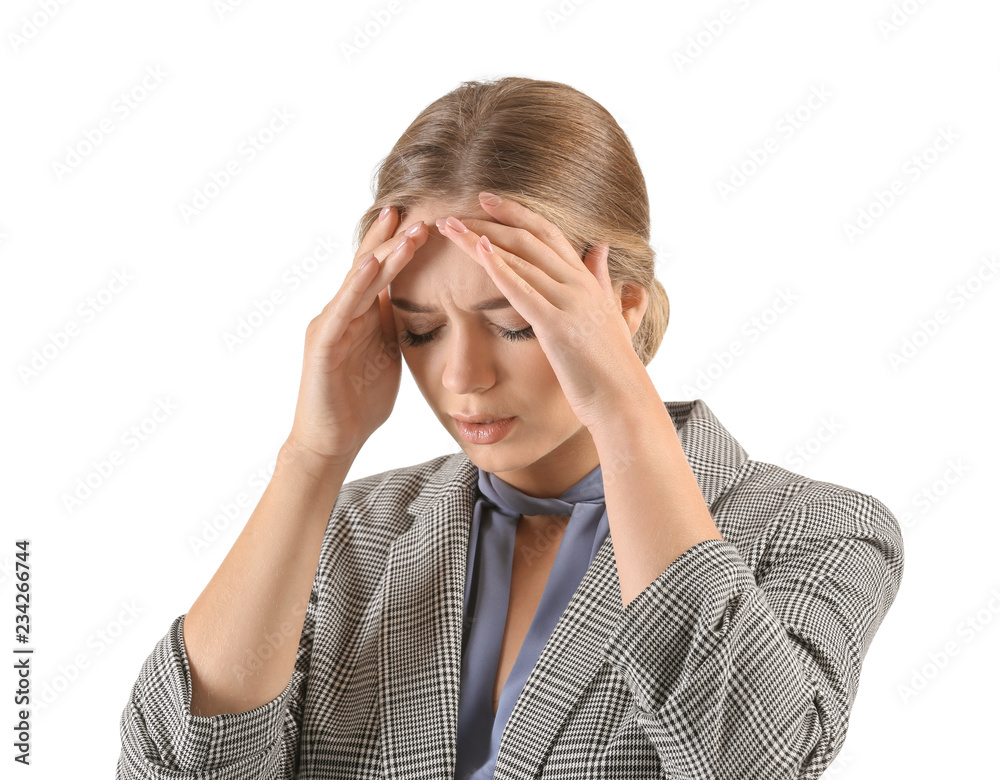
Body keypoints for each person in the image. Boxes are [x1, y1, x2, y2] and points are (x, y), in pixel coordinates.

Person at [115, 76, 904, 780]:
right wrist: (313, 456)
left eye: (517, 323)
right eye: (421, 331)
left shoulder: (818, 531)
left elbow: (752, 762)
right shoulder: (350, 532)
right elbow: (174, 770)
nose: (463, 377)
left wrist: (624, 412)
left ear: (624, 304)